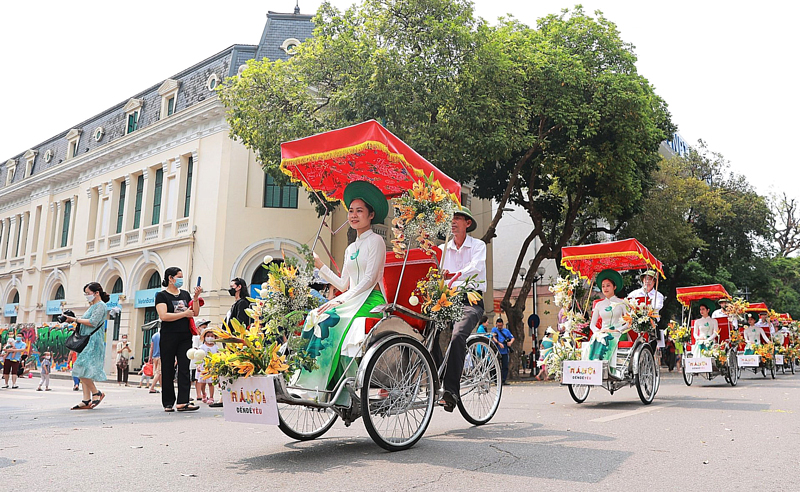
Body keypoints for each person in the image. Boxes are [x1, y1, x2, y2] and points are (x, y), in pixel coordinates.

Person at [298, 181, 388, 402]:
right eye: (351, 211)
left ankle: (323, 385)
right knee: (314, 316)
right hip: (352, 298)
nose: (354, 215)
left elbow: (368, 280)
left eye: (360, 211)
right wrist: (320, 266)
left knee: (330, 316)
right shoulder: (350, 248)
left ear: (371, 215)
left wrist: (340, 301)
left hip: (370, 299)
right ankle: (308, 381)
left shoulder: (377, 241)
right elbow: (342, 284)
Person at [436, 207, 487, 411]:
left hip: (470, 299)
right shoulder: (442, 249)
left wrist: (455, 275)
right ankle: (438, 378)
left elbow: (476, 266)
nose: (453, 222)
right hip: (445, 299)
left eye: (458, 218)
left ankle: (451, 392)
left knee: (457, 335)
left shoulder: (478, 245)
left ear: (467, 223)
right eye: (451, 219)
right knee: (425, 332)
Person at [155, 266, 203, 412]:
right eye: (179, 276)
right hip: (169, 335)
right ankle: (168, 402)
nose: (180, 279)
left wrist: (195, 298)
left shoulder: (185, 294)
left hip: (184, 335)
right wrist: (183, 314)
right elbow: (163, 316)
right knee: (168, 368)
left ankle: (183, 401)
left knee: (184, 368)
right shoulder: (162, 296)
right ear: (170, 278)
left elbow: (194, 312)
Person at [63, 282, 110, 409]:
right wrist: (72, 319)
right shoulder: (92, 306)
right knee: (84, 369)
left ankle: (96, 393)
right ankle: (86, 399)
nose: (86, 296)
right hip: (85, 341)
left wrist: (75, 320)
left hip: (93, 341)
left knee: (80, 367)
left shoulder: (100, 306)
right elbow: (85, 322)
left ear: (96, 293)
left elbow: (93, 322)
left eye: (88, 293)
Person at [585, 269, 629, 375]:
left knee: (608, 339)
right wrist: (599, 332)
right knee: (598, 339)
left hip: (619, 333)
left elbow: (629, 322)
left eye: (608, 285)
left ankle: (609, 370)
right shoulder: (599, 305)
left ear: (614, 287)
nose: (605, 288)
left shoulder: (622, 303)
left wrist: (619, 330)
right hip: (602, 333)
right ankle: (593, 368)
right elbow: (592, 325)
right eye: (603, 286)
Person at [627, 270, 665, 361]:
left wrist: (646, 305)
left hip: (651, 324)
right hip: (636, 323)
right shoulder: (634, 294)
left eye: (650, 279)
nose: (647, 281)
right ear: (643, 280)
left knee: (651, 347)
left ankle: (649, 361)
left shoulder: (658, 295)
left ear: (654, 282)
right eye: (646, 279)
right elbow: (627, 305)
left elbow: (657, 307)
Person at [195, 327, 219, 404]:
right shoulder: (202, 347)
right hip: (203, 367)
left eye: (212, 336)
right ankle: (204, 394)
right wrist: (198, 365)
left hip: (212, 367)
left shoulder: (216, 347)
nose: (210, 338)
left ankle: (211, 397)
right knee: (202, 382)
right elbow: (198, 357)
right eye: (208, 336)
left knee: (211, 383)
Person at [491, 318, 515, 385]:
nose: (500, 327)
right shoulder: (494, 330)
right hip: (497, 351)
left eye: (501, 326)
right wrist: (499, 343)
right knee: (497, 366)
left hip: (505, 351)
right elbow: (493, 337)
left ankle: (503, 380)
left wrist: (510, 342)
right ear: (496, 324)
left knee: (505, 366)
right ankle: (496, 380)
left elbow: (512, 338)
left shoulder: (506, 331)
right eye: (498, 325)